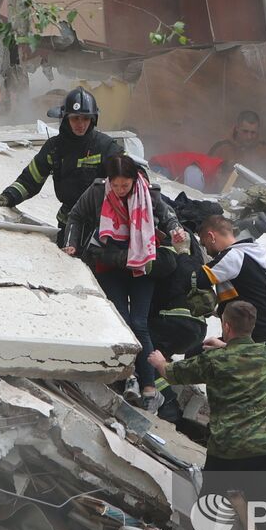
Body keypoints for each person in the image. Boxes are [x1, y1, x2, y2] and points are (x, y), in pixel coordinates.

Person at [147, 301, 266, 530]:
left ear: (226, 326)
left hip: (227, 451)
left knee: (210, 507)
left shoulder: (215, 362)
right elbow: (240, 356)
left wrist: (159, 359)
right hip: (265, 450)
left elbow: (173, 372)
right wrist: (225, 347)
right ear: (251, 326)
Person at [63, 155, 185, 408]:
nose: (119, 191)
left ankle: (149, 385)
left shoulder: (148, 194)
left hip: (141, 263)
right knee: (122, 318)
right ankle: (129, 376)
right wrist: (72, 244)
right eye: (116, 185)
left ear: (134, 180)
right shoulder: (98, 192)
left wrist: (176, 230)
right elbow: (75, 216)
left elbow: (168, 216)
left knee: (139, 323)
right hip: (109, 262)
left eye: (125, 186)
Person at [0, 87, 123, 238]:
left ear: (93, 119)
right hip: (68, 222)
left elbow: (132, 174)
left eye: (85, 118)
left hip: (102, 226)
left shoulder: (105, 146)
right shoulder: (54, 148)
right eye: (75, 118)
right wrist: (8, 196)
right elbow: (30, 180)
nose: (81, 124)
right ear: (65, 117)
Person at [195, 215, 266, 354]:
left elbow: (196, 279)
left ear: (211, 236)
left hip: (255, 346)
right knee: (198, 353)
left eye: (205, 244)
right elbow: (246, 295)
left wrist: (183, 252)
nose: (207, 251)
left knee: (195, 359)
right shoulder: (253, 253)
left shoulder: (233, 256)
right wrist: (216, 310)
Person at [208, 110, 266, 188]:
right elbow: (206, 175)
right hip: (227, 200)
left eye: (253, 133)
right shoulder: (222, 148)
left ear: (258, 131)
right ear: (237, 128)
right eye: (245, 131)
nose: (249, 136)